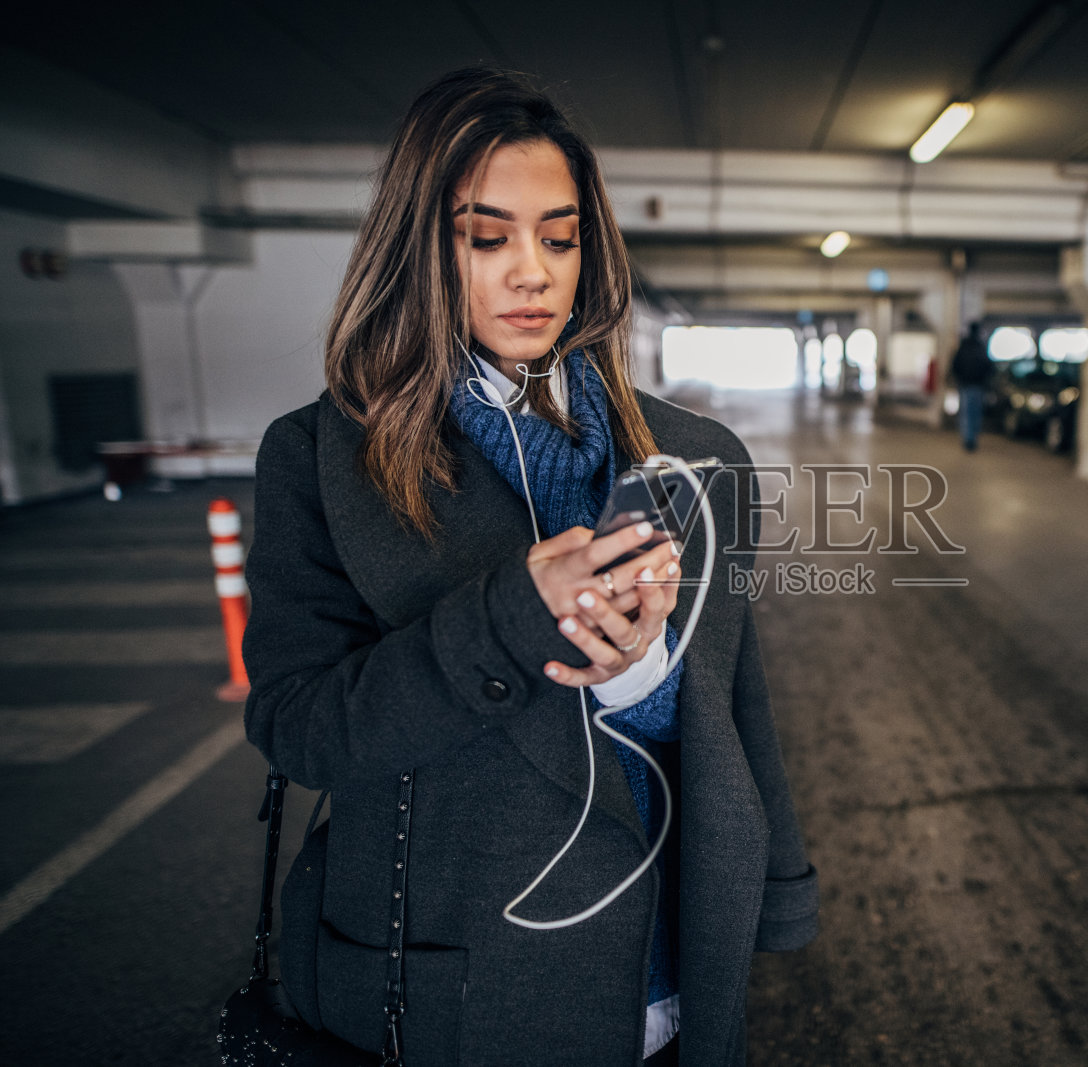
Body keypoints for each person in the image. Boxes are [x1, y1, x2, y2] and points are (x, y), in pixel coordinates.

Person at [242, 67, 818, 1067]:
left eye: (558, 236)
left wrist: (646, 676)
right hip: (456, 986)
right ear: (419, 245)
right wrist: (509, 617)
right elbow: (299, 730)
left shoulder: (697, 455)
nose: (532, 272)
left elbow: (736, 698)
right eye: (485, 236)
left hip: (668, 975)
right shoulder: (322, 457)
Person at [949, 322, 992, 451]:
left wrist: (959, 378)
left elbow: (955, 364)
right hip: (978, 385)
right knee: (975, 413)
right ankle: (972, 438)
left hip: (965, 385)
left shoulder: (964, 346)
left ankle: (968, 439)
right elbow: (988, 367)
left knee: (966, 413)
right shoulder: (981, 347)